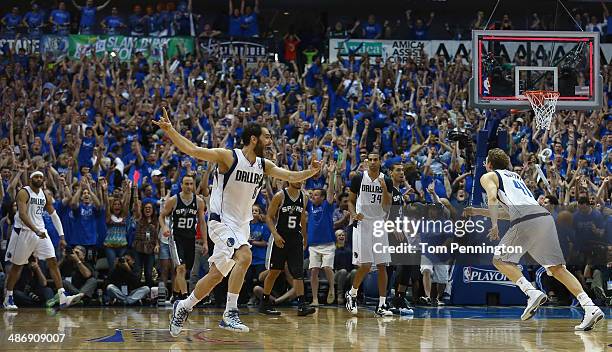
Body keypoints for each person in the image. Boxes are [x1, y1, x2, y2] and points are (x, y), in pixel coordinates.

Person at [153, 107, 321, 335]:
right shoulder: (228, 156)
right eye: (267, 136)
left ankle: (184, 306)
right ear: (254, 139)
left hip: (241, 227)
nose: (270, 140)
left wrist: (311, 172)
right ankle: (230, 313)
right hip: (220, 222)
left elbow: (291, 176)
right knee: (245, 256)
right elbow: (193, 149)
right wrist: (170, 130)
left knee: (215, 276)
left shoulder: (264, 165)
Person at [463, 148, 605, 331]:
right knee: (557, 269)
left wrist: (494, 224)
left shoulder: (488, 176)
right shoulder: (514, 177)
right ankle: (590, 307)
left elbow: (492, 198)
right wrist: (477, 211)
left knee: (499, 259)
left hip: (526, 220)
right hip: (543, 218)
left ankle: (531, 292)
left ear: (489, 164)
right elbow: (510, 212)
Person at [3, 171, 82, 310]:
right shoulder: (23, 192)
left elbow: (54, 214)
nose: (39, 179)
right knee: (17, 267)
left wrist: (61, 236)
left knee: (52, 260)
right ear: (31, 179)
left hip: (40, 232)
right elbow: (22, 214)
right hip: (23, 232)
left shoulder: (44, 195)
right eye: (36, 177)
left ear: (43, 180)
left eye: (41, 177)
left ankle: (62, 295)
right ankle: (8, 297)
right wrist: (36, 230)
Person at [345, 152, 394, 316]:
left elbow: (388, 207)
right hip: (363, 223)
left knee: (382, 266)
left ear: (380, 161)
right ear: (367, 162)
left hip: (379, 223)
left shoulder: (386, 180)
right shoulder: (359, 178)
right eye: (370, 160)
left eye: (376, 159)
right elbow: (350, 201)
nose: (373, 162)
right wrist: (353, 214)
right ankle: (352, 293)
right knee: (365, 265)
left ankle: (381, 304)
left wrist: (385, 188)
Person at [260, 181, 315, 316]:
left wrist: (304, 236)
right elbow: (269, 217)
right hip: (280, 237)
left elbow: (302, 217)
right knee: (274, 272)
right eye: (297, 179)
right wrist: (275, 235)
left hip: (295, 237)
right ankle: (264, 304)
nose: (300, 181)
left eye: (301, 179)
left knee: (298, 272)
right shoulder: (280, 195)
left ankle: (302, 306)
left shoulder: (304, 196)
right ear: (290, 180)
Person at [159, 174, 206, 301]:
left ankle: (175, 294)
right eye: (186, 184)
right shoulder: (174, 200)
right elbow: (161, 216)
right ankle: (185, 298)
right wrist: (164, 227)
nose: (189, 186)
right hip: (176, 238)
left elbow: (202, 222)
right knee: (180, 268)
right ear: (181, 185)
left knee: (185, 270)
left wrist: (205, 243)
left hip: (190, 238)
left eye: (191, 184)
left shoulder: (199, 201)